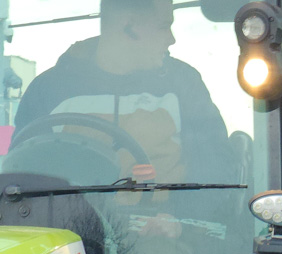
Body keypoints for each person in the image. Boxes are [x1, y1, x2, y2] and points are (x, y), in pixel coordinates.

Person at [14, 0, 236, 185]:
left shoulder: (184, 84)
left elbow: (215, 170)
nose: (171, 38)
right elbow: (22, 181)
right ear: (130, 26)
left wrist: (176, 220)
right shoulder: (48, 91)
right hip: (75, 232)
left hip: (170, 234)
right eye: (163, 26)